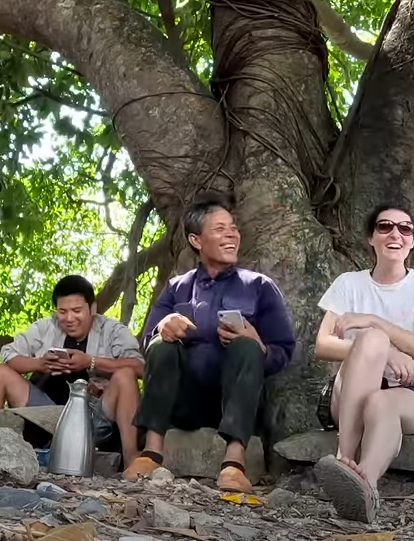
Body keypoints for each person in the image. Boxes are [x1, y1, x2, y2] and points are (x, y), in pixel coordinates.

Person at [122, 192, 296, 493]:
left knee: (246, 345)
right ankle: (151, 453)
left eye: (233, 228)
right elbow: (147, 342)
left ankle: (234, 463)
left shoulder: (259, 287)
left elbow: (283, 350)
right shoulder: (176, 288)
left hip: (234, 401)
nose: (231, 235)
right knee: (161, 346)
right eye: (220, 229)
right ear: (196, 241)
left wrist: (258, 344)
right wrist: (163, 327)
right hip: (183, 402)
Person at [311, 205, 414, 523]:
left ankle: (364, 483)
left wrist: (375, 322)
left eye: (405, 229)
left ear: (413, 241)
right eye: (385, 227)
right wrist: (382, 349)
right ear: (371, 238)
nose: (396, 234)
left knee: (381, 401)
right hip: (349, 389)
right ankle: (345, 458)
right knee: (373, 341)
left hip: (410, 394)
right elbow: (323, 344)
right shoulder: (349, 283)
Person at [0, 274, 145, 463]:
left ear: (92, 308)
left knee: (125, 375)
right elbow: (8, 354)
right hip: (46, 416)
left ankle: (131, 459)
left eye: (76, 310)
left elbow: (139, 367)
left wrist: (90, 362)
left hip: (94, 419)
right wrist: (40, 364)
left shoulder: (113, 330)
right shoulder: (46, 327)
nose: (69, 318)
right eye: (62, 311)